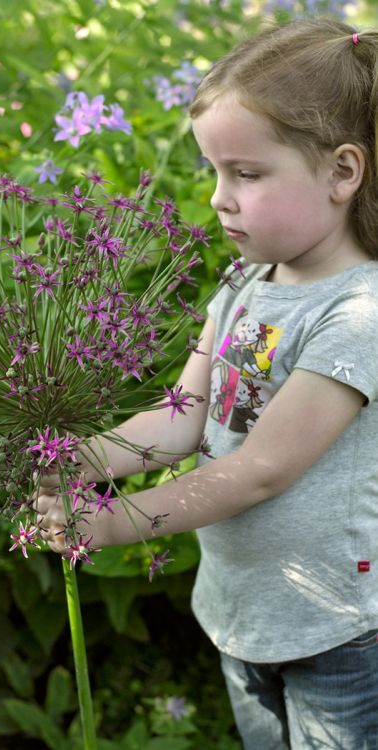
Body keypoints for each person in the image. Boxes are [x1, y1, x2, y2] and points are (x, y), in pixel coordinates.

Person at [36, 17, 378, 749]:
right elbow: (182, 418)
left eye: (247, 174)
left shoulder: (359, 315)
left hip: (337, 631)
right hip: (242, 609)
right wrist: (79, 457)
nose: (221, 198)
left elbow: (259, 471)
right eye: (214, 172)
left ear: (342, 173)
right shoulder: (243, 282)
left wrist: (113, 523)